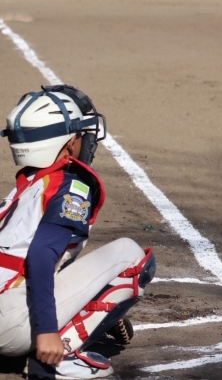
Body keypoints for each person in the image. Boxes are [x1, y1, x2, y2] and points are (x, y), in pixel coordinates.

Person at [0, 85, 156, 379]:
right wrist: (47, 331)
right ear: (70, 142)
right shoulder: (69, 186)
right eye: (81, 134)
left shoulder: (25, 188)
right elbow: (41, 256)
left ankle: (66, 324)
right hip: (9, 326)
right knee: (130, 254)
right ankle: (58, 357)